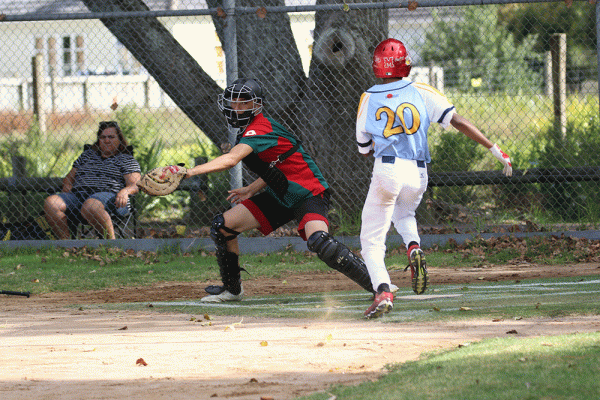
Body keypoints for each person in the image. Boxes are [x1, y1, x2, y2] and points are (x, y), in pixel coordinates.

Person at [356, 38, 513, 319]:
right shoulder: (420, 89)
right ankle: (413, 246)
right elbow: (458, 121)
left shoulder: (368, 97)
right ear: (406, 65)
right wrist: (493, 148)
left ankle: (383, 291)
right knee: (404, 214)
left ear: (377, 67)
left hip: (387, 169)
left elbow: (364, 150)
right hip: (417, 171)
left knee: (371, 240)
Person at [181, 78, 374, 302]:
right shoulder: (246, 130)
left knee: (321, 242)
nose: (237, 108)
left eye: (244, 103)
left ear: (257, 106)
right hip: (280, 195)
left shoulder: (260, 128)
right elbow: (279, 163)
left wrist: (189, 172)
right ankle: (232, 289)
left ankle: (379, 284)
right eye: (233, 102)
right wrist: (252, 188)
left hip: (307, 192)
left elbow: (231, 160)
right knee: (222, 226)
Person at [44, 121, 141, 239]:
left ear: (119, 139)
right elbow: (69, 177)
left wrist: (125, 192)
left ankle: (112, 244)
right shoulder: (87, 156)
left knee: (91, 206)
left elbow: (136, 185)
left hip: (111, 198)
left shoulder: (126, 159)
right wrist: (68, 184)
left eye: (111, 137)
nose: (106, 140)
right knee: (51, 202)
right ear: (98, 140)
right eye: (103, 137)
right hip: (78, 196)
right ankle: (67, 245)